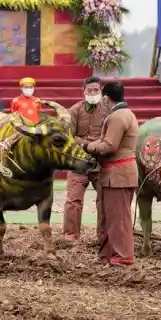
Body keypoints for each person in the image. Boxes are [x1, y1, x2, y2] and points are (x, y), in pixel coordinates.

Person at [85, 80, 139, 266]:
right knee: (109, 216)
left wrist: (89, 146)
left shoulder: (118, 117)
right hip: (116, 174)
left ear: (106, 98)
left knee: (118, 218)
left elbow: (109, 146)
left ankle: (122, 257)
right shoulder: (125, 114)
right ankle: (108, 255)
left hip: (118, 174)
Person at [62, 77, 110, 242]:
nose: (93, 93)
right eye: (89, 90)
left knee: (104, 200)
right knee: (73, 200)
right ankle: (70, 235)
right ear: (84, 92)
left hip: (101, 162)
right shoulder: (75, 110)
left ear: (101, 91)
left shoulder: (107, 110)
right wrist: (89, 144)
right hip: (78, 162)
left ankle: (103, 235)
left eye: (96, 90)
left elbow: (110, 135)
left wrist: (99, 145)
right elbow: (69, 136)